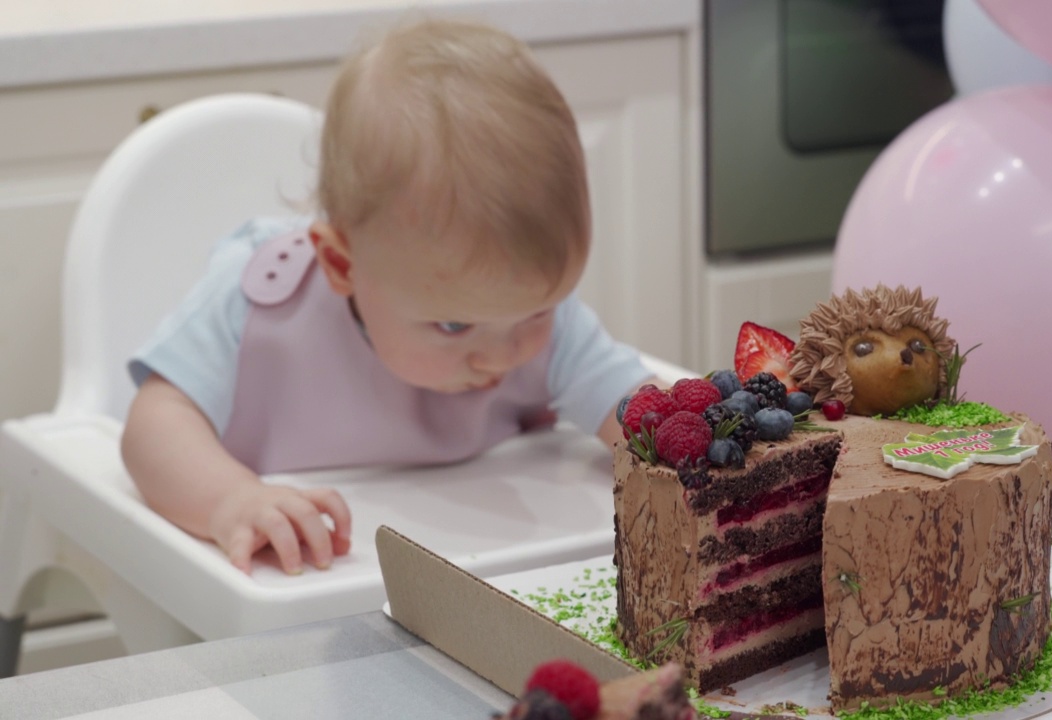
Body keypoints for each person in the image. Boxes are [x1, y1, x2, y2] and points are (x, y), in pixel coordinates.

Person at [119, 17, 656, 576]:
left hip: (480, 579)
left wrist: (700, 453)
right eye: (454, 326)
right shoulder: (261, 302)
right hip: (306, 575)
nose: (502, 355)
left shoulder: (534, 319)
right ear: (341, 264)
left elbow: (639, 409)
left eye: (538, 311)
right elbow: (153, 427)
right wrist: (232, 501)